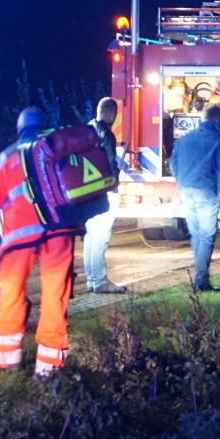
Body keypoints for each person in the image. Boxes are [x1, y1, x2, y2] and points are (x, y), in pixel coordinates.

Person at [0, 107, 80, 377]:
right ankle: (49, 366)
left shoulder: (6, 157)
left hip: (19, 238)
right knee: (56, 295)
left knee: (10, 294)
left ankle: (9, 363)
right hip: (59, 233)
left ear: (19, 129)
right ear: (44, 126)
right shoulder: (57, 151)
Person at [169, 104, 220, 291]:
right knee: (207, 236)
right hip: (207, 192)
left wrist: (181, 182)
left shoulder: (185, 139)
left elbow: (172, 163)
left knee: (196, 235)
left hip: (186, 191)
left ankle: (200, 277)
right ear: (216, 119)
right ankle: (201, 280)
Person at [83, 97, 126, 294]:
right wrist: (114, 185)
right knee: (101, 237)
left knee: (91, 236)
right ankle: (100, 282)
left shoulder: (87, 130)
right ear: (111, 113)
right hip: (104, 192)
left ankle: (92, 280)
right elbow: (109, 163)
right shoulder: (106, 134)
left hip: (87, 192)